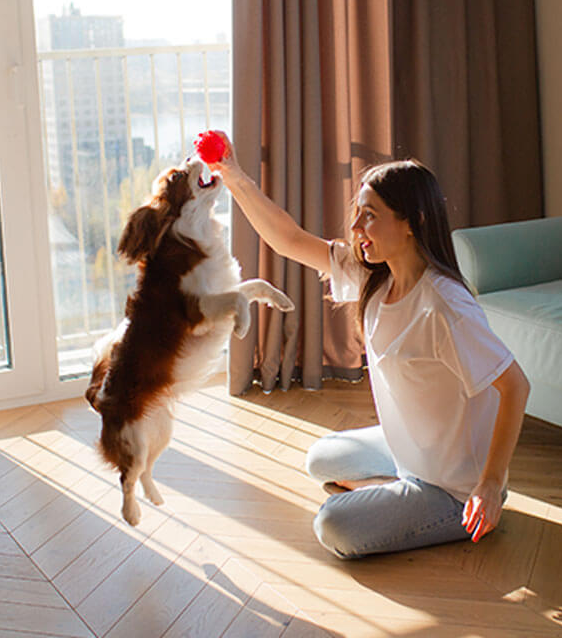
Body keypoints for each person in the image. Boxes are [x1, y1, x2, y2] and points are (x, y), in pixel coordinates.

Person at [205, 133, 531, 559]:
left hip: (455, 487)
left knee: (333, 526)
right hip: (410, 449)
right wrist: (232, 176)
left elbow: (515, 386)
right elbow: (289, 239)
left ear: (411, 222)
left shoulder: (446, 308)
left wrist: (490, 484)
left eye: (370, 216)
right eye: (358, 214)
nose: (357, 228)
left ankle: (420, 499)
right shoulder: (375, 278)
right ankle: (395, 488)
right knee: (322, 459)